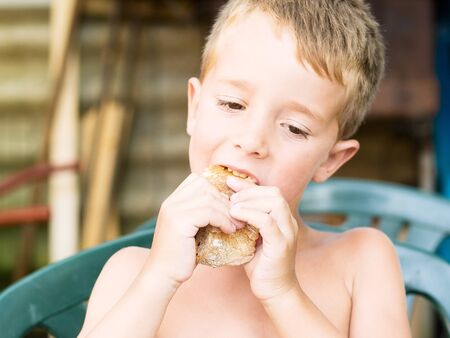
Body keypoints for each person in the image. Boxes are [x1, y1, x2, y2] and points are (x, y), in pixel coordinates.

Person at [78, 0, 411, 337]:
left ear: (329, 160)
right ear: (194, 107)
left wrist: (283, 293)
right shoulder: (132, 272)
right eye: (232, 104)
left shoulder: (362, 261)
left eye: (295, 128)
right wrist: (160, 277)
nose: (252, 140)